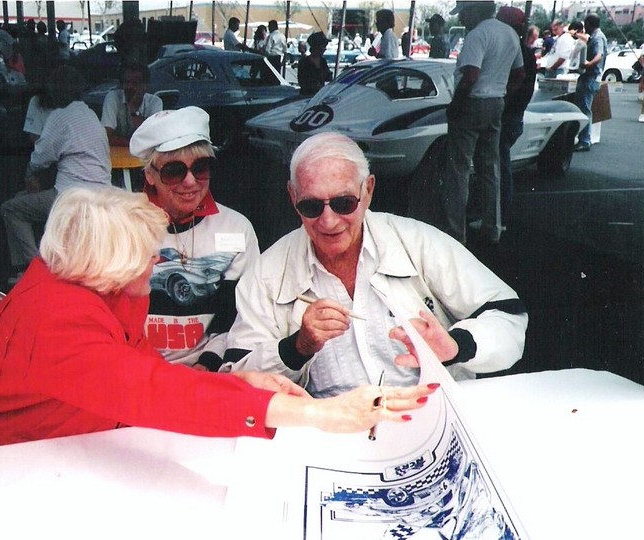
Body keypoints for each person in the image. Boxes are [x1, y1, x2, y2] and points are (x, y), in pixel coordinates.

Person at [0, 186, 437, 457]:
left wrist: (235, 379)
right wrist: (320, 414)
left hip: (59, 443)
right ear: (104, 266)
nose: (156, 263)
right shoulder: (55, 317)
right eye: (143, 253)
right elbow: (150, 390)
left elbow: (136, 364)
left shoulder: (93, 281)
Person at [223, 132, 527, 396]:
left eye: (344, 203)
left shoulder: (419, 242)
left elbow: (509, 317)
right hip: (331, 424)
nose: (328, 221)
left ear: (368, 190)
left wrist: (456, 345)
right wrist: (297, 347)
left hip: (432, 409)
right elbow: (235, 375)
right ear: (293, 197)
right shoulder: (266, 273)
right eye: (311, 206)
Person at [125, 107, 259, 370]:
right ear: (150, 175)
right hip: (135, 369)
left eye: (201, 168)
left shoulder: (236, 227)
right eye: (174, 171)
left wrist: (206, 365)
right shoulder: (123, 226)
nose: (190, 182)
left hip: (210, 370)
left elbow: (238, 315)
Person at [1, 66, 111, 283]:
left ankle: (31, 268)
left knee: (11, 209)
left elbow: (40, 157)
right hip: (101, 193)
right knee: (23, 201)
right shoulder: (89, 114)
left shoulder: (60, 116)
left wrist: (29, 174)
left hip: (70, 196)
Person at [439, 1, 523, 245]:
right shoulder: (509, 33)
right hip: (496, 102)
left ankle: (456, 233)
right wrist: (503, 94)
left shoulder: (477, 34)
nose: (462, 18)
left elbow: (471, 75)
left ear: (475, 9)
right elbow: (520, 75)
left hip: (472, 103)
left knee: (458, 169)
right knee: (490, 167)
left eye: (464, 12)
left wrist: (455, 105)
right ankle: (492, 226)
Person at [493, 6, 536, 231]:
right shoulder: (526, 51)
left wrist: (501, 105)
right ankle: (499, 215)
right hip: (514, 115)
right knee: (499, 165)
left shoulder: (514, 50)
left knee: (499, 167)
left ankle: (500, 217)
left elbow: (517, 85)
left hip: (506, 115)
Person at [100, 63, 163, 148]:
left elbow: (152, 138)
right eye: (127, 82)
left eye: (135, 83)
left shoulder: (154, 102)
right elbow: (106, 136)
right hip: (117, 153)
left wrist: (133, 110)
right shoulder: (113, 97)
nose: (129, 86)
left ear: (145, 87)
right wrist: (136, 144)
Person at [573, 14, 607, 152]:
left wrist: (588, 64)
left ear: (589, 24)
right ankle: (584, 138)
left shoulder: (598, 37)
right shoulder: (597, 36)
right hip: (590, 77)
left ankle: (585, 140)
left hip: (591, 77)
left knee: (585, 109)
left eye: (585, 25)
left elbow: (599, 55)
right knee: (584, 107)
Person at [297, 31, 332, 96]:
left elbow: (328, 78)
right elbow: (303, 82)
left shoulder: (323, 61)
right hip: (307, 96)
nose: (325, 49)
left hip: (320, 95)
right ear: (316, 47)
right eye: (323, 46)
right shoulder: (304, 62)